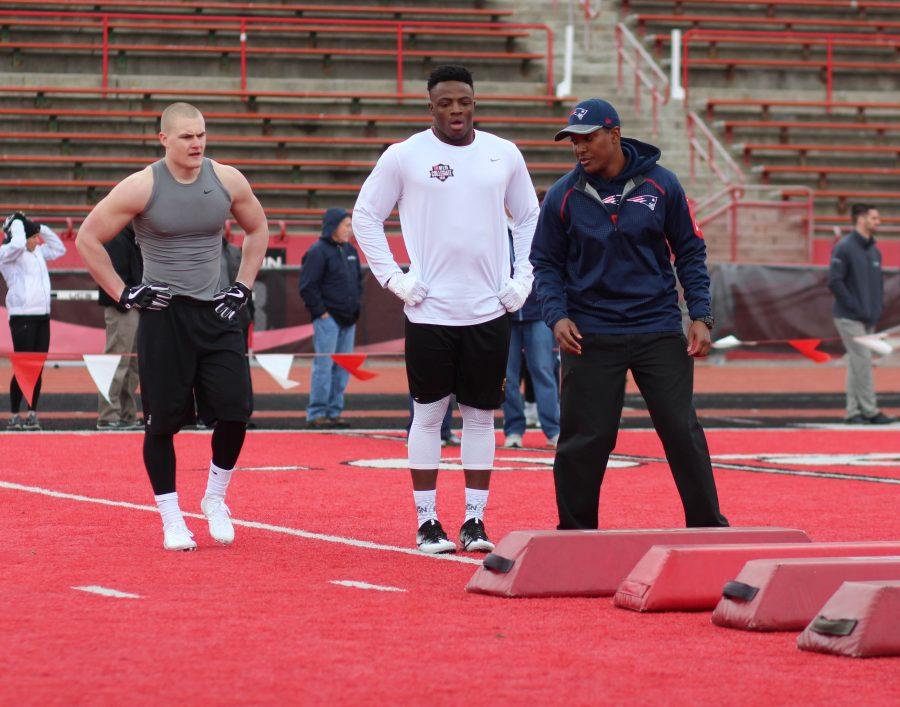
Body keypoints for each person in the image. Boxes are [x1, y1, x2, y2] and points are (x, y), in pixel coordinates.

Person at [352, 65, 539, 554]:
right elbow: (365, 216)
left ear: (475, 102)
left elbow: (529, 217)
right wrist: (395, 279)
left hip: (489, 310)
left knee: (481, 417)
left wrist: (523, 278)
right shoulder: (404, 156)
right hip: (429, 312)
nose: (456, 110)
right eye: (445, 103)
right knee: (428, 415)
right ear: (430, 106)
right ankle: (427, 521)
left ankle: (475, 521)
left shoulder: (505, 154)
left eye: (464, 102)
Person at [76, 102, 268, 551]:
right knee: (161, 424)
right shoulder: (141, 186)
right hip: (164, 316)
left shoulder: (227, 179)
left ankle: (215, 498)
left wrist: (242, 285)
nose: (196, 143)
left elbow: (257, 230)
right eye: (186, 136)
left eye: (201, 134)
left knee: (237, 411)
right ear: (164, 139)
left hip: (217, 311)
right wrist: (124, 292)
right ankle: (171, 518)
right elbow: (88, 238)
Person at [530, 98, 728, 530]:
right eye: (573, 141)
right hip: (590, 331)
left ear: (614, 135)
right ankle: (576, 533)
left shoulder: (662, 185)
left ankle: (709, 527)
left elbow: (690, 251)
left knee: (681, 431)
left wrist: (700, 315)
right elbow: (544, 262)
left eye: (588, 138)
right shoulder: (563, 195)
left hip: (657, 326)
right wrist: (556, 314)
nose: (579, 148)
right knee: (586, 439)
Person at [503, 193, 561, 450]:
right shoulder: (493, 227)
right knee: (507, 376)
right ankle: (513, 429)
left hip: (538, 311)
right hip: (504, 312)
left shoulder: (538, 225)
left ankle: (554, 429)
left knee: (543, 371)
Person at [829, 204, 893, 425]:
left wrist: (876, 309)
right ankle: (869, 410)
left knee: (858, 363)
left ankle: (853, 411)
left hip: (868, 317)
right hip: (849, 317)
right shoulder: (844, 247)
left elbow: (876, 284)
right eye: (875, 218)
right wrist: (854, 306)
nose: (878, 222)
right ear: (861, 219)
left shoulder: (874, 250)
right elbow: (835, 281)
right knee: (863, 361)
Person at [298, 208, 363, 429]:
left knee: (343, 367)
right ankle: (316, 413)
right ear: (334, 226)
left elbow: (357, 283)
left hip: (348, 319)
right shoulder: (318, 251)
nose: (350, 230)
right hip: (329, 319)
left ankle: (334, 412)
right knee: (324, 365)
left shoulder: (351, 251)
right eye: (346, 225)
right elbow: (307, 286)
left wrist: (355, 309)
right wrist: (321, 313)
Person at [1, 212, 66, 431]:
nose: (38, 242)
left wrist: (39, 228)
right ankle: (13, 414)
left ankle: (32, 413)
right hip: (22, 317)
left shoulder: (38, 252)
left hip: (42, 316)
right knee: (23, 367)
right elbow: (18, 242)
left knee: (37, 367)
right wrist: (19, 223)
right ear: (21, 235)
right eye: (34, 238)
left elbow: (59, 248)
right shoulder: (9, 253)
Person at [96, 223, 143, 430]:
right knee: (116, 361)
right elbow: (111, 278)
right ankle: (107, 415)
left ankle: (127, 414)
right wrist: (128, 301)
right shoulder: (117, 239)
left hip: (132, 307)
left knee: (131, 365)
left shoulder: (132, 238)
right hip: (122, 308)